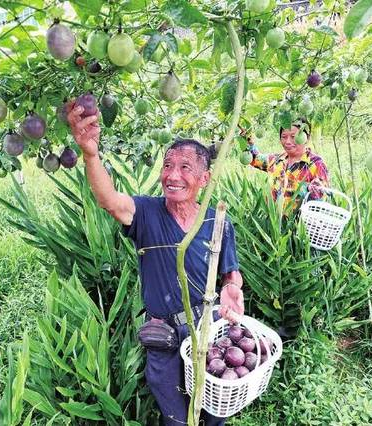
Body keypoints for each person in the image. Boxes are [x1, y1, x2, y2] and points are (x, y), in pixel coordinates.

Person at [67, 102, 244, 425]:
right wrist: (91, 154)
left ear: (204, 178)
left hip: (208, 329)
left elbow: (230, 271)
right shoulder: (147, 213)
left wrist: (232, 287)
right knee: (176, 417)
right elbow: (110, 201)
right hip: (165, 335)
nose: (172, 175)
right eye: (167, 166)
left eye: (185, 168)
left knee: (214, 411)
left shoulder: (217, 221)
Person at [243, 120, 330, 213]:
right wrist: (248, 142)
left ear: (306, 138)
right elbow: (254, 159)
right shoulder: (276, 160)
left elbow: (325, 198)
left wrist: (314, 191)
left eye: (293, 137)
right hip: (273, 223)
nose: (288, 141)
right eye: (284, 137)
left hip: (300, 224)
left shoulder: (316, 164)